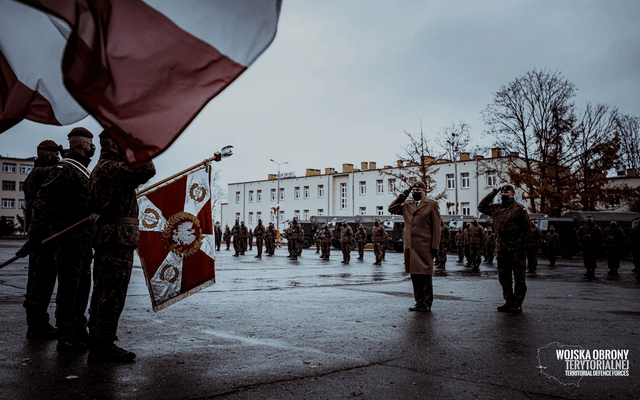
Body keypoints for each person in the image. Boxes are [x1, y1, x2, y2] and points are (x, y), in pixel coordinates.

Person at [87, 130, 155, 362]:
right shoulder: (111, 168)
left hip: (111, 237)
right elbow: (148, 169)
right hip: (116, 239)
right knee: (112, 293)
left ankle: (98, 338)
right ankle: (103, 344)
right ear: (115, 146)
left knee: (103, 290)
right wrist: (135, 148)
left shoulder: (103, 168)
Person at [26, 127, 96, 352]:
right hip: (66, 238)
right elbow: (42, 201)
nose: (93, 147)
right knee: (68, 287)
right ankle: (66, 335)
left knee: (80, 286)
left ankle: (76, 328)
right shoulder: (65, 168)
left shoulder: (80, 170)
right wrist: (36, 236)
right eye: (91, 143)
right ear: (84, 145)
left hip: (82, 239)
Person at [19, 140, 61, 340]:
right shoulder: (41, 173)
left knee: (39, 280)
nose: (59, 158)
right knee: (41, 281)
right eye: (56, 154)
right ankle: (37, 325)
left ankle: (37, 323)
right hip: (43, 235)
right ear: (48, 155)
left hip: (41, 234)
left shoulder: (37, 173)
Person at [389, 182, 441, 312]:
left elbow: (436, 227)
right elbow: (392, 208)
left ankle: (427, 302)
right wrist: (402, 196)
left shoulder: (431, 204)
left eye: (418, 189)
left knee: (425, 275)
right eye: (414, 190)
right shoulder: (407, 204)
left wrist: (435, 246)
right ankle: (418, 302)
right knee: (414, 275)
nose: (415, 191)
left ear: (424, 191)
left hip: (425, 245)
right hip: (411, 246)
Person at [478, 185, 531, 313]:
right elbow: (481, 207)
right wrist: (492, 193)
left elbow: (527, 229)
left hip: (516, 249)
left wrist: (523, 247)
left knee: (519, 277)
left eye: (507, 192)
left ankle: (518, 302)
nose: (504, 194)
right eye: (502, 192)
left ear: (513, 194)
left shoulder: (519, 209)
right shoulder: (496, 208)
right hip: (502, 249)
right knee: (504, 277)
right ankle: (508, 300)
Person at [576, 215, 602, 280]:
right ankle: (588, 270)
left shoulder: (596, 227)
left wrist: (598, 244)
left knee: (593, 259)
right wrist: (580, 239)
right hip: (586, 246)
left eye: (590, 218)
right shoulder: (583, 227)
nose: (589, 219)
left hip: (593, 246)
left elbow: (601, 236)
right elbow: (577, 233)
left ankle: (592, 271)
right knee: (586, 259)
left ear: (593, 219)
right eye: (588, 218)